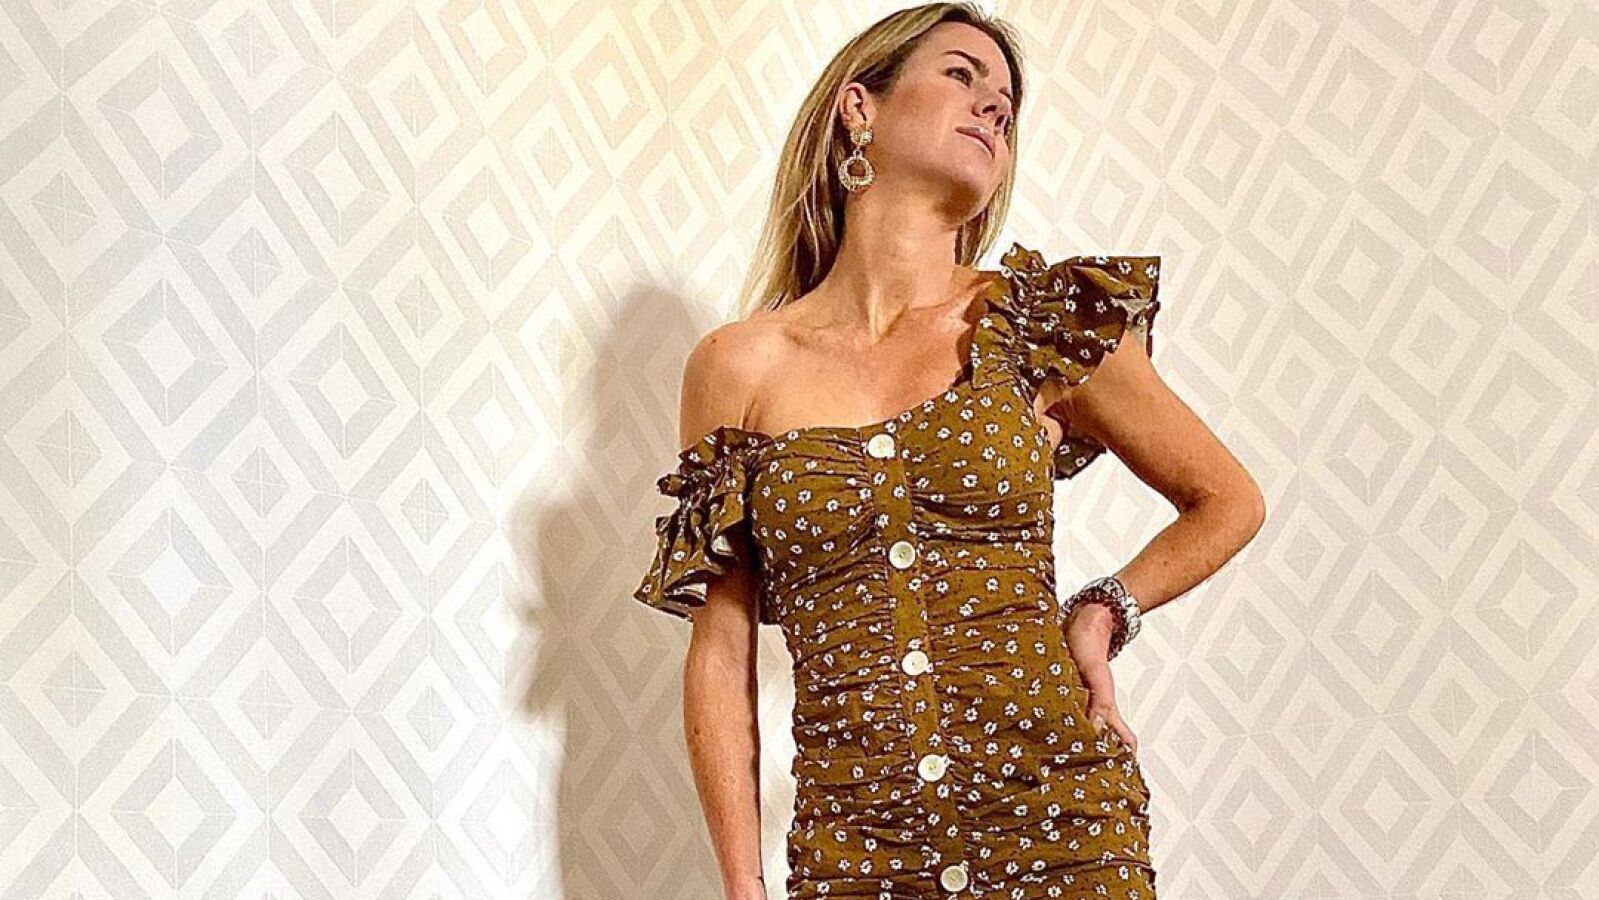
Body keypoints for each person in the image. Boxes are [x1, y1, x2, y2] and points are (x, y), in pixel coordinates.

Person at [633, 4, 1265, 898]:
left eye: (1005, 104)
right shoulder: (735, 366)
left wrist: (1103, 609)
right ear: (860, 107)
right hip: (858, 851)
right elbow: (720, 647)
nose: (992, 107)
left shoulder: (1040, 320)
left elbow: (1227, 499)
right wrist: (744, 887)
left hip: (1060, 829)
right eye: (961, 75)